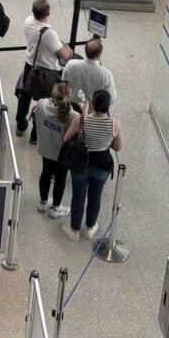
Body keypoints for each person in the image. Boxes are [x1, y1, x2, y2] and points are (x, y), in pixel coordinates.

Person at [64, 88, 121, 241]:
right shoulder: (114, 124)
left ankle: (74, 229)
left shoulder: (81, 120)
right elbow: (118, 147)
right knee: (95, 196)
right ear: (108, 106)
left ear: (93, 103)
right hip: (102, 166)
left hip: (81, 165)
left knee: (78, 196)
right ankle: (90, 227)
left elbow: (66, 137)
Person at [16, 0, 63, 137]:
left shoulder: (28, 22)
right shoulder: (49, 33)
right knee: (45, 103)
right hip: (47, 72)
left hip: (30, 65)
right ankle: (35, 134)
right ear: (48, 13)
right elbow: (63, 53)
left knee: (25, 94)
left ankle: (20, 124)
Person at [34, 81, 78, 219]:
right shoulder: (72, 115)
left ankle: (43, 202)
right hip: (61, 153)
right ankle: (56, 207)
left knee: (45, 173)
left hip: (45, 148)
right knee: (60, 178)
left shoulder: (41, 104)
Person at [62, 37, 117, 107]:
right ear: (100, 54)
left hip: (71, 108)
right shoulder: (106, 74)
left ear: (85, 52)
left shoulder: (71, 64)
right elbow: (111, 99)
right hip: (92, 112)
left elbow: (63, 85)